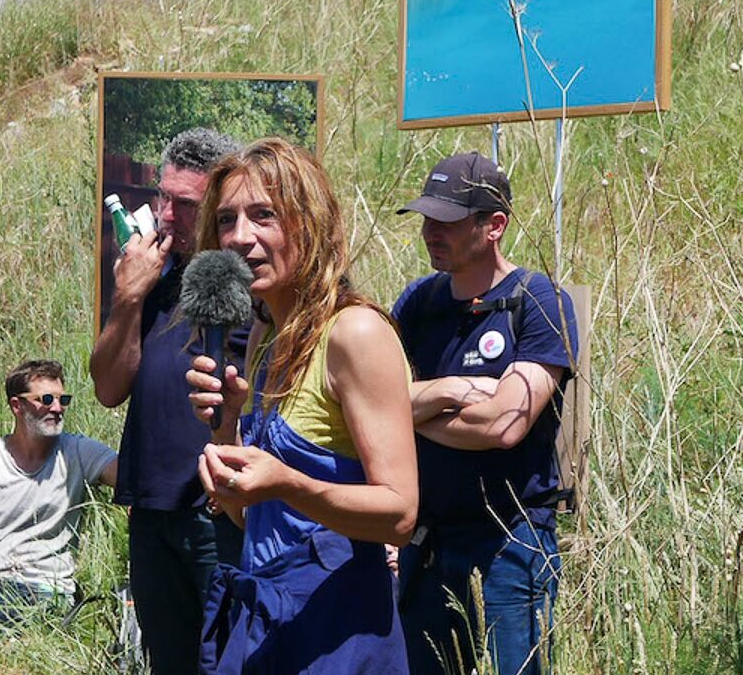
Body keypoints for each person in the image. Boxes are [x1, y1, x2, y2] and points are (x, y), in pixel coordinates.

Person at [186, 138, 418, 674]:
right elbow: (256, 522)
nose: (240, 238)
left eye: (263, 215)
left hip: (339, 628)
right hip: (270, 617)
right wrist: (225, 436)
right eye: (226, 220)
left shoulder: (354, 333)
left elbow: (400, 514)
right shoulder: (266, 335)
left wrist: (287, 481)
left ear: (309, 222)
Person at [392, 151, 577, 675]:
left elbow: (504, 424)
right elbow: (370, 404)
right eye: (426, 218)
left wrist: (413, 407)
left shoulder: (537, 300)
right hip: (427, 542)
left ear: (494, 225)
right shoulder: (417, 304)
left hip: (511, 543)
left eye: (446, 221)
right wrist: (452, 388)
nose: (430, 231)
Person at [89, 127, 247, 674]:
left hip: (218, 512)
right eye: (163, 198)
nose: (167, 215)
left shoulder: (247, 280)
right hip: (151, 511)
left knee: (226, 660)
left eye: (186, 204)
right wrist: (128, 297)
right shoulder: (152, 275)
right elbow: (108, 388)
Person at [0, 359, 116, 634]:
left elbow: (131, 478)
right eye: (46, 399)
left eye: (62, 399)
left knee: (9, 637)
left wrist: (136, 500)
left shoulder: (78, 451)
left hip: (47, 590)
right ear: (17, 406)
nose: (57, 408)